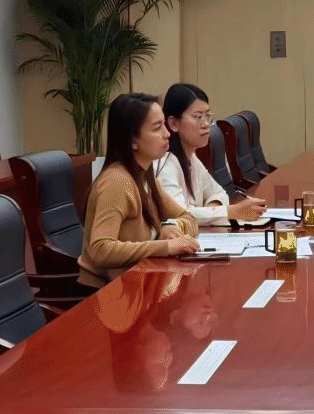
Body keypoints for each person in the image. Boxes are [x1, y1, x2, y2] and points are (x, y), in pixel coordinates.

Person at [79, 93, 201, 288]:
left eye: (164, 124)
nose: (167, 134)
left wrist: (171, 226)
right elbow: (100, 249)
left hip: (137, 284)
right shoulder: (117, 182)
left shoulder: (145, 176)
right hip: (104, 293)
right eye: (157, 128)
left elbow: (189, 219)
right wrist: (165, 246)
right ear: (132, 140)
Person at [157, 83, 267, 228]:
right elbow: (181, 215)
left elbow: (219, 193)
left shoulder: (191, 158)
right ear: (173, 124)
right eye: (198, 117)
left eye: (208, 116)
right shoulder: (166, 165)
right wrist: (230, 212)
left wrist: (211, 210)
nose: (206, 124)